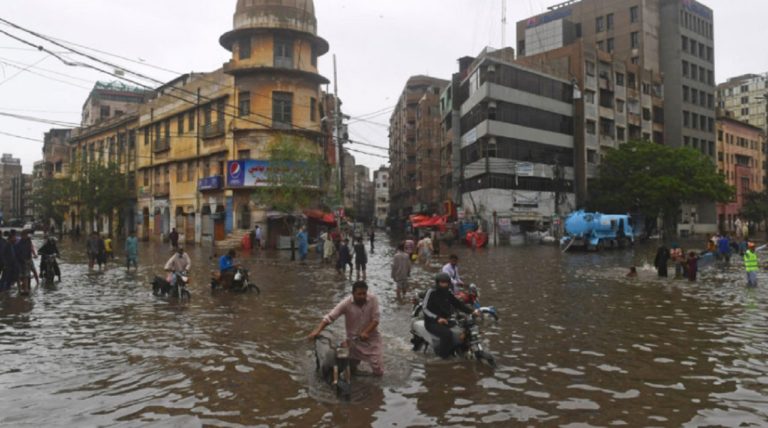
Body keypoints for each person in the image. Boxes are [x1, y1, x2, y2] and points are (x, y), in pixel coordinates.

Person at [307, 281, 383, 376]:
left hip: (371, 340)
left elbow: (375, 319)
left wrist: (366, 332)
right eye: (359, 294)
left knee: (377, 369)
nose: (362, 296)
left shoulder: (373, 299)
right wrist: (317, 331)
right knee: (351, 368)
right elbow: (330, 317)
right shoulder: (346, 304)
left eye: (364, 293)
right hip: (354, 341)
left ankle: (376, 388)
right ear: (353, 294)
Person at [422, 273, 479, 359]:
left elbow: (458, 304)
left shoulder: (448, 292)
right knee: (447, 334)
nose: (444, 285)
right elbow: (424, 308)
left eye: (446, 283)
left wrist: (472, 311)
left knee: (462, 330)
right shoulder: (431, 291)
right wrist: (437, 318)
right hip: (432, 322)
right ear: (437, 283)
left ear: (449, 283)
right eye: (442, 283)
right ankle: (442, 357)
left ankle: (459, 351)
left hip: (445, 320)